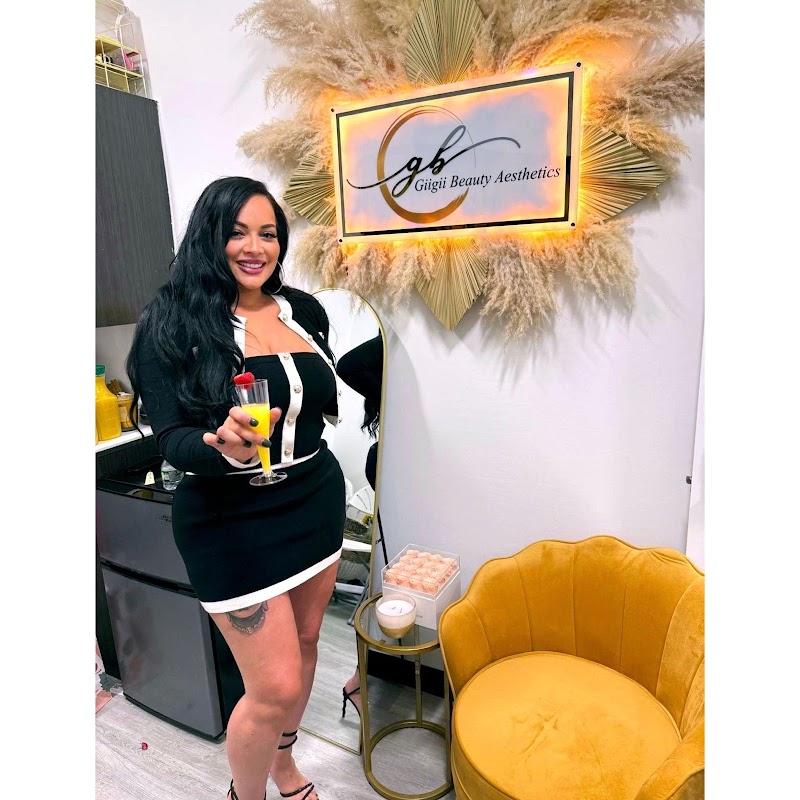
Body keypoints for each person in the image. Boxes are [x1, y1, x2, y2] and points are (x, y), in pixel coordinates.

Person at [126, 176, 346, 800]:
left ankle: (284, 767)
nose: (255, 247)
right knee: (273, 686)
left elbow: (316, 402)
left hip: (313, 499)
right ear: (209, 237)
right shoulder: (171, 323)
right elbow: (170, 439)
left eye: (268, 233)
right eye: (237, 232)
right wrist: (219, 445)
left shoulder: (304, 310)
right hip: (229, 519)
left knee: (307, 642)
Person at [335, 333, 384, 719]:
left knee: (386, 579)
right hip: (386, 462)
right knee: (383, 580)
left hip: (397, 463)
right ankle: (359, 677)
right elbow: (349, 364)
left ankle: (362, 677)